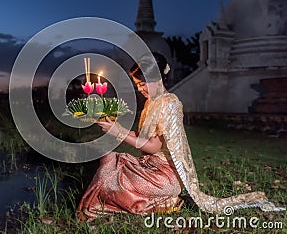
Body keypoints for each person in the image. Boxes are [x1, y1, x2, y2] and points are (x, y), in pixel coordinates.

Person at [77, 52, 284, 222]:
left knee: (109, 181)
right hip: (148, 166)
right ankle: (155, 200)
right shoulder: (151, 103)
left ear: (157, 79)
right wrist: (115, 126)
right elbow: (140, 137)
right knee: (108, 159)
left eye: (142, 84)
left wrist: (118, 132)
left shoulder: (170, 104)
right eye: (137, 85)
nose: (139, 90)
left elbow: (152, 146)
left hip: (164, 176)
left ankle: (164, 199)